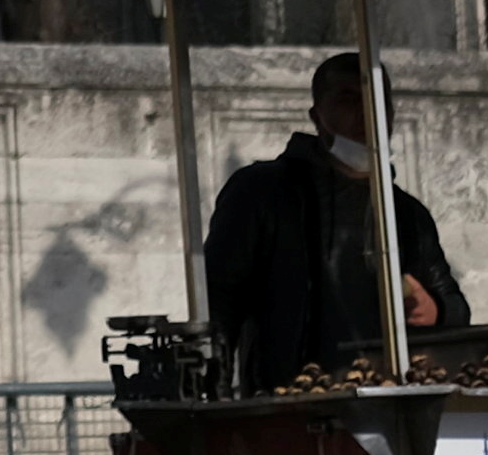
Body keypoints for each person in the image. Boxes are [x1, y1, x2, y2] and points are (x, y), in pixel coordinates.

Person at [200, 53, 470, 393]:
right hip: (293, 403)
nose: (365, 112)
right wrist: (216, 396)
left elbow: (455, 307)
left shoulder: (407, 213)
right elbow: (218, 303)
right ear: (317, 114)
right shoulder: (262, 192)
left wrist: (437, 310)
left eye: (377, 100)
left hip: (393, 403)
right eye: (348, 99)